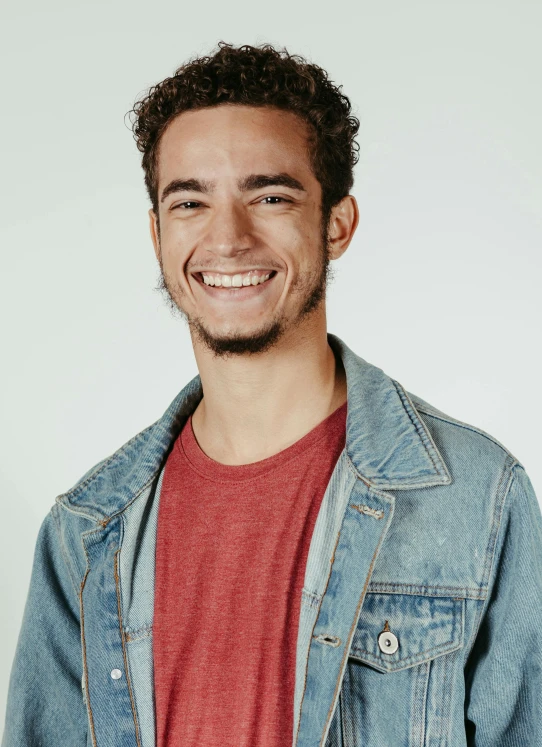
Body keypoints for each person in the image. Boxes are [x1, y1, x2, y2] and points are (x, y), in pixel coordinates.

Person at [3, 42, 541, 747]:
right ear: (157, 234)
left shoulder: (475, 496)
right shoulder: (87, 531)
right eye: (190, 201)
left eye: (270, 195)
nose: (228, 237)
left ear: (338, 223)